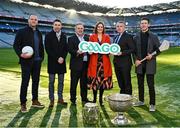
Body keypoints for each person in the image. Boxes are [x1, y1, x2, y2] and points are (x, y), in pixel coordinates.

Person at [13, 15, 44, 113]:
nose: (34, 21)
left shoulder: (39, 32)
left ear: (37, 22)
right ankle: (23, 103)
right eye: (32, 19)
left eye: (35, 19)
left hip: (37, 61)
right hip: (26, 62)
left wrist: (41, 58)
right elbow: (16, 45)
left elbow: (40, 46)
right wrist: (21, 55)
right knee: (25, 82)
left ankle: (35, 101)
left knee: (36, 82)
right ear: (28, 21)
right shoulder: (21, 31)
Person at [133, 17, 160, 112]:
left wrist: (151, 56)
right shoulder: (136, 37)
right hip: (140, 64)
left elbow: (159, 50)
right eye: (142, 23)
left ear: (148, 25)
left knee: (150, 85)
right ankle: (141, 100)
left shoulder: (153, 36)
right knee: (140, 84)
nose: (143, 25)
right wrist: (135, 60)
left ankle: (152, 104)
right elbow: (134, 51)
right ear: (140, 25)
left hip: (150, 64)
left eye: (145, 23)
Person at [87, 21, 113, 106]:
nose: (100, 28)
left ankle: (101, 99)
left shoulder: (107, 37)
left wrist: (110, 52)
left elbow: (109, 49)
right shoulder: (92, 37)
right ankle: (94, 99)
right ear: (96, 28)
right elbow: (89, 48)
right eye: (98, 27)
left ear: (103, 28)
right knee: (95, 81)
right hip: (95, 61)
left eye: (101, 27)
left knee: (102, 82)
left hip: (104, 62)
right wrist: (89, 52)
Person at [45, 19, 68, 108]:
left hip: (62, 62)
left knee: (61, 82)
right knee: (51, 82)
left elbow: (66, 49)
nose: (57, 26)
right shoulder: (48, 35)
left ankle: (60, 98)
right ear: (53, 26)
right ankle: (51, 99)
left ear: (61, 26)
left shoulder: (64, 35)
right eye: (56, 25)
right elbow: (48, 49)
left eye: (59, 25)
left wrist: (62, 57)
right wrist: (57, 58)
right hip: (52, 62)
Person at [68, 23, 90, 105]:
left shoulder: (87, 38)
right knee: (74, 83)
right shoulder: (71, 38)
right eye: (78, 28)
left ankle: (84, 98)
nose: (80, 29)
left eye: (81, 28)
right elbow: (70, 49)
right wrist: (77, 52)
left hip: (85, 64)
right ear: (75, 29)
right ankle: (73, 99)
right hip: (75, 65)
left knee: (84, 83)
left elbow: (90, 48)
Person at [113, 21, 135, 95]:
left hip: (125, 63)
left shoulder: (128, 36)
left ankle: (128, 97)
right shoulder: (115, 37)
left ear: (124, 27)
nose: (119, 28)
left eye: (121, 26)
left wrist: (122, 53)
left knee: (126, 81)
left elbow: (132, 49)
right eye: (117, 26)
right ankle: (122, 96)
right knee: (120, 81)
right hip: (116, 62)